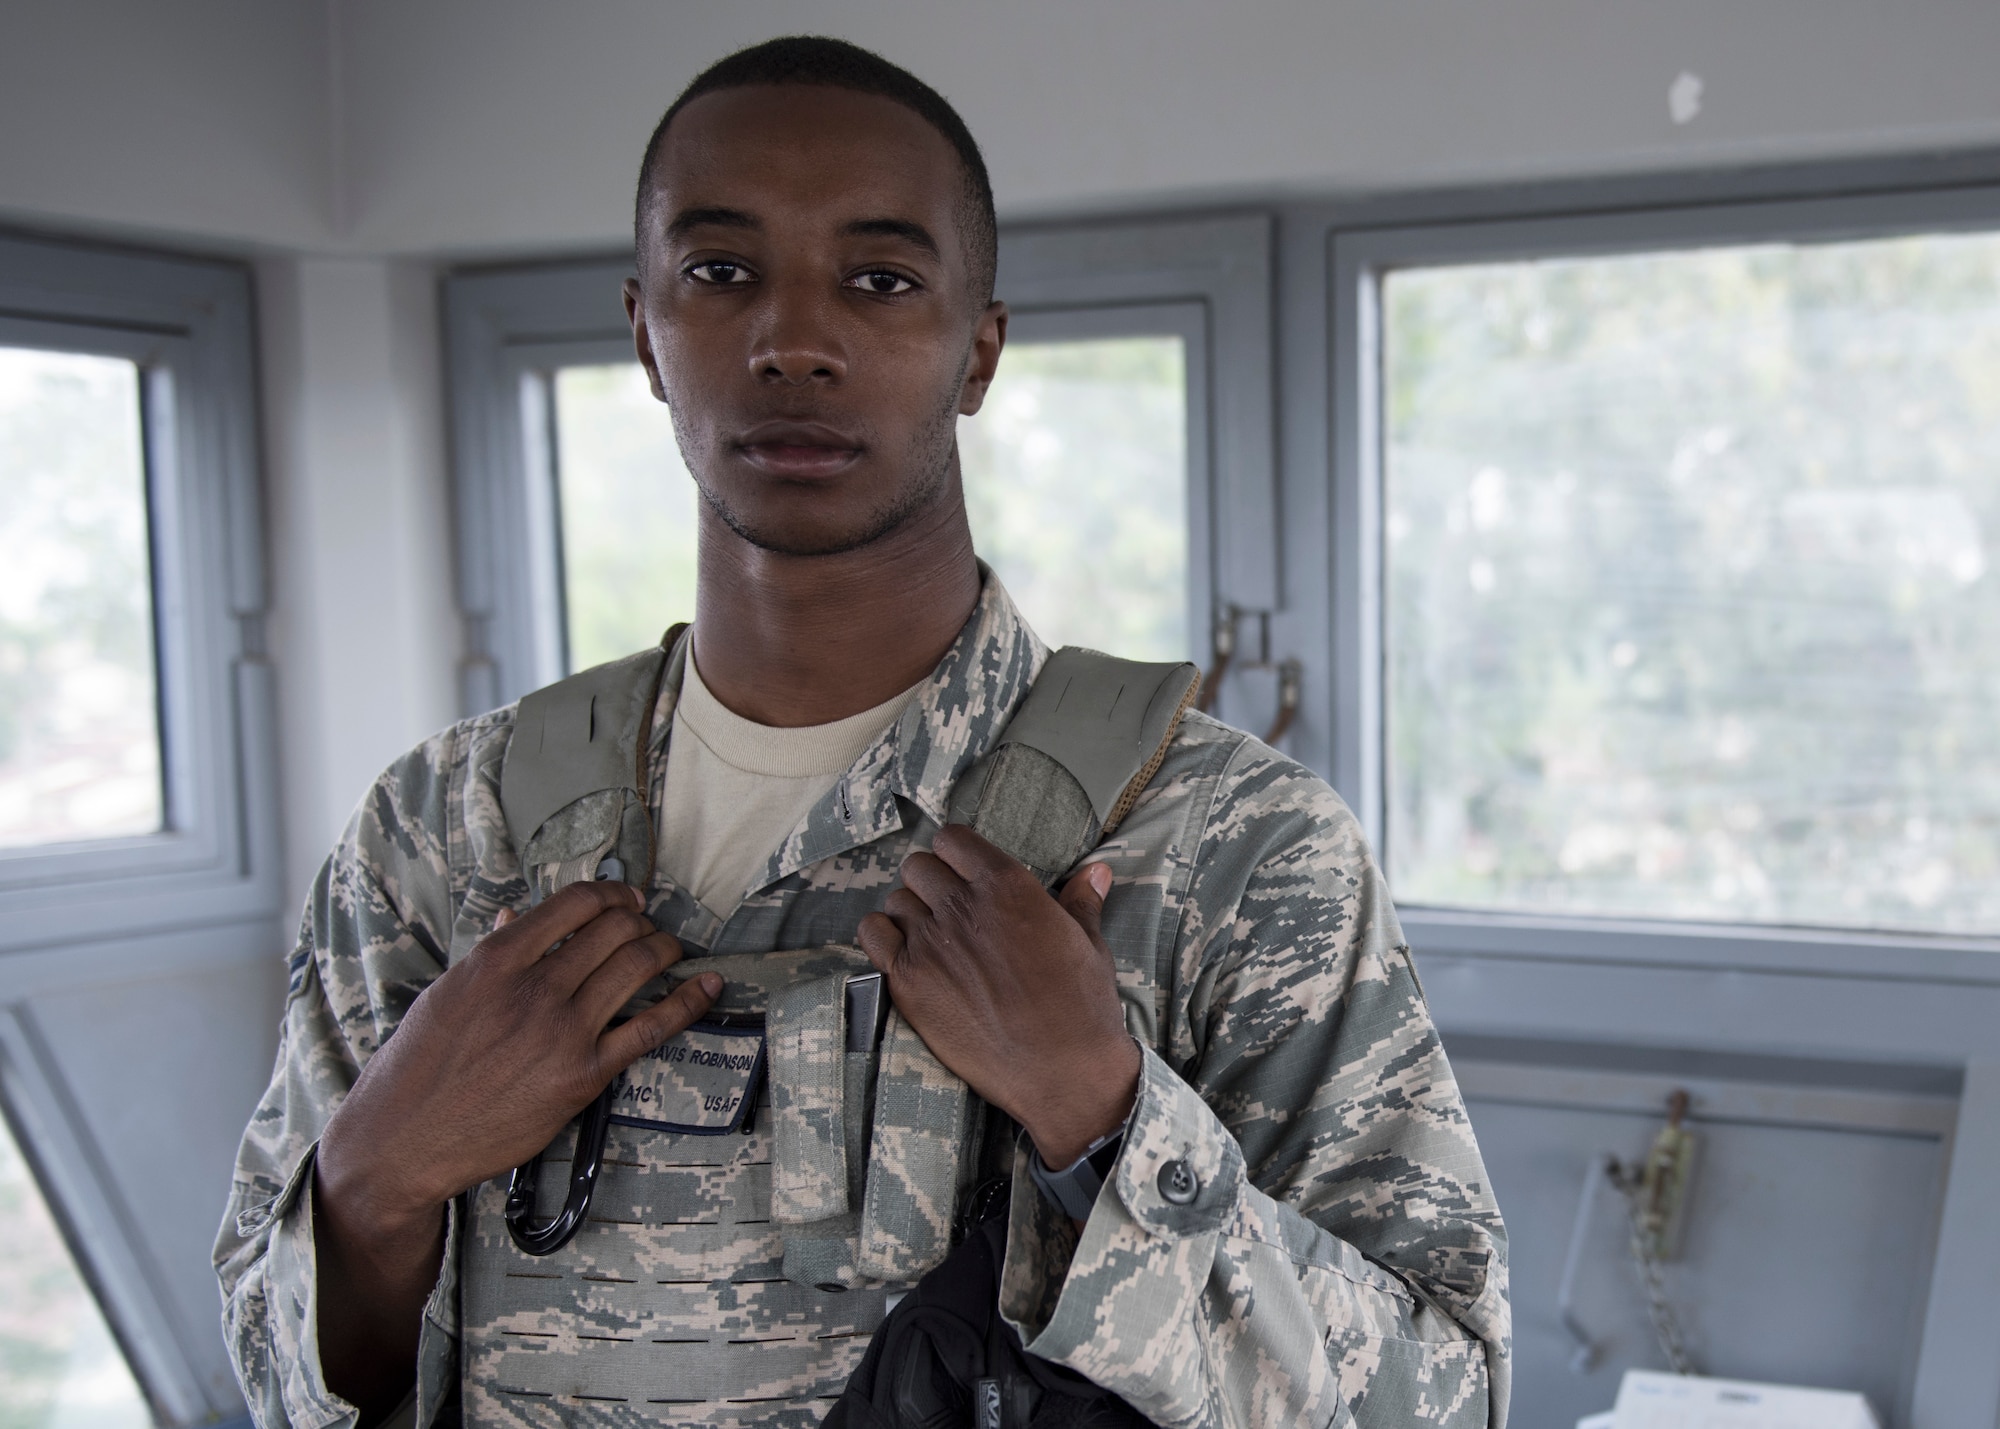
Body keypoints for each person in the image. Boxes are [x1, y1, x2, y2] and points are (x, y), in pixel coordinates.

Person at [216, 35, 1509, 1429]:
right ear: (646, 328)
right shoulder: (447, 834)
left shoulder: (1224, 843)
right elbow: (278, 1372)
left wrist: (1107, 1116)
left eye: (882, 280)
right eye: (721, 273)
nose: (794, 342)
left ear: (979, 349)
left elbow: (1445, 1397)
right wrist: (376, 1180)